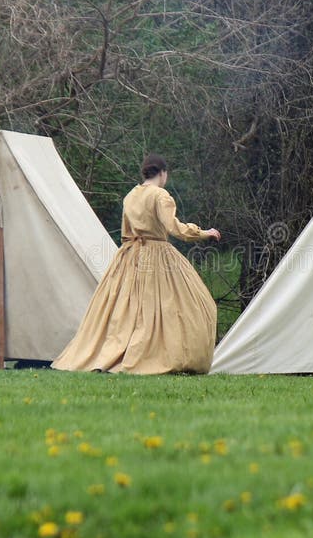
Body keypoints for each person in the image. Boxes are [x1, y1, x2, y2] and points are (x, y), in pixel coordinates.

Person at [52, 154, 221, 374]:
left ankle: (110, 355)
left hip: (129, 256)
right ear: (163, 173)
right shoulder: (160, 196)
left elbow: (126, 232)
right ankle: (159, 356)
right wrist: (203, 232)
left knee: (127, 309)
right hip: (157, 255)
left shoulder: (131, 196)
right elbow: (174, 228)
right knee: (190, 306)